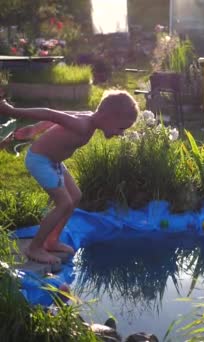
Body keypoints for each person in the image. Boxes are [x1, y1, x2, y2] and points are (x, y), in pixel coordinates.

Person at [0, 89, 139, 264]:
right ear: (107, 117)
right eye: (121, 128)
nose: (121, 133)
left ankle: (52, 241)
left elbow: (58, 116)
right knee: (63, 203)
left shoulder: (88, 118)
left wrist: (35, 128)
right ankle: (35, 248)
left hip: (54, 162)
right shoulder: (82, 125)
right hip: (40, 161)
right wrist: (12, 111)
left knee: (75, 196)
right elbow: (49, 113)